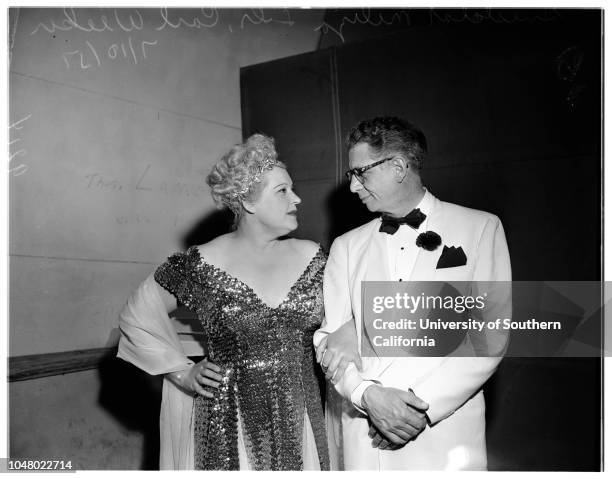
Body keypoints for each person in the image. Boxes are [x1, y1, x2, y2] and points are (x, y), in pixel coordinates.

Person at [117, 134, 330, 470]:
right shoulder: (201, 263)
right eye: (283, 191)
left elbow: (350, 318)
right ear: (249, 202)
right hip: (228, 420)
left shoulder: (314, 258)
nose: (297, 199)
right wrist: (181, 372)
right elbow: (137, 315)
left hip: (301, 413)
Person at [314, 116, 511, 470]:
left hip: (444, 433)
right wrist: (368, 397)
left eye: (362, 173)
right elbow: (329, 341)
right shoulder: (346, 246)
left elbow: (490, 335)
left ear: (399, 166)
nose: (353, 187)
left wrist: (418, 408)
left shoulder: (480, 228)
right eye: (351, 175)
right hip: (366, 434)